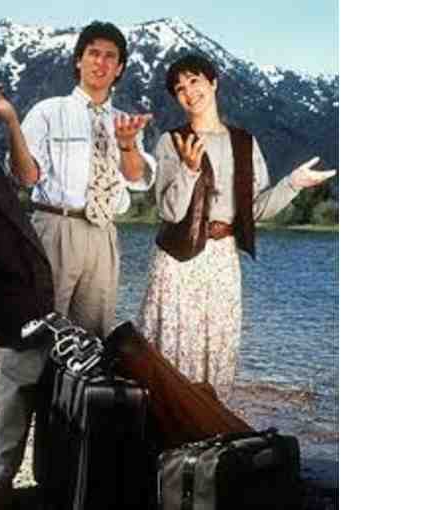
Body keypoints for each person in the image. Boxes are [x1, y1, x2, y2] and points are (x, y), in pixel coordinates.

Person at [0, 21, 156, 509]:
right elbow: (26, 175)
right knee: (27, 357)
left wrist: (129, 145)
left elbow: (138, 181)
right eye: (93, 53)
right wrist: (12, 123)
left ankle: (64, 478)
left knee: (87, 360)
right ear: (78, 59)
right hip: (53, 229)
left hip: (103, 237)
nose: (101, 62)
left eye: (111, 56)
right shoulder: (48, 111)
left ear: (120, 67)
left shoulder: (126, 122)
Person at [137, 54, 335, 405]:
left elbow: (254, 211)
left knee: (219, 349)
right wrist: (189, 170)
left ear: (213, 83)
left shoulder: (245, 143)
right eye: (180, 88)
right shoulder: (171, 142)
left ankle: (209, 430)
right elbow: (169, 211)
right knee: (173, 354)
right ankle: (163, 430)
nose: (189, 92)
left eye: (195, 81)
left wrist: (293, 183)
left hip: (223, 259)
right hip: (177, 261)